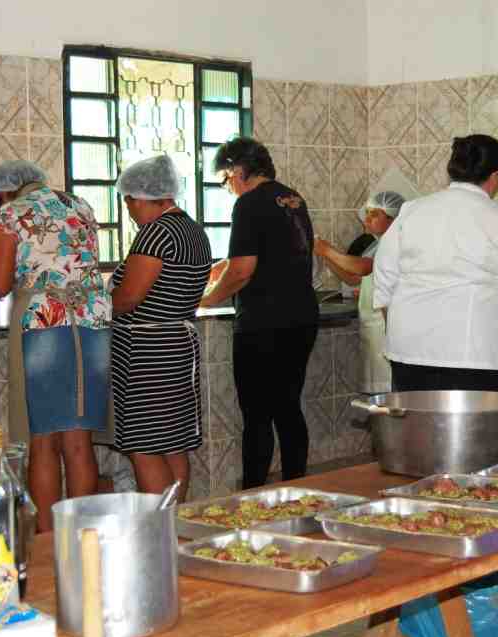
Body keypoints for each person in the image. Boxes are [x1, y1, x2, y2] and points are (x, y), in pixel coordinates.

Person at [0, 160, 111, 532]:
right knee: (78, 441)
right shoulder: (80, 205)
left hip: (46, 323)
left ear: (4, 191)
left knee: (44, 440)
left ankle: (48, 540)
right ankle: (80, 538)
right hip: (92, 319)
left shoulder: (12, 213)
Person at [372, 134, 498, 392]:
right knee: (474, 420)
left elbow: (384, 277)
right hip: (471, 356)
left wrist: (402, 329)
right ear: (495, 175)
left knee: (414, 419)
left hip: (408, 352)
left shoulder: (411, 211)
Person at [200, 137, 319, 489]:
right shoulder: (292, 198)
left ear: (238, 170)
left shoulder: (249, 203)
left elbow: (242, 271)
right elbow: (269, 252)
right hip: (301, 317)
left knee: (257, 414)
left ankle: (252, 493)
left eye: (226, 180)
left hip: (264, 322)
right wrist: (221, 269)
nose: (228, 188)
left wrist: (207, 300)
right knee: (288, 407)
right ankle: (297, 487)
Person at [111, 155, 212, 501]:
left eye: (128, 203)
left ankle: (158, 523)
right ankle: (174, 521)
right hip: (177, 343)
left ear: (142, 197)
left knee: (144, 444)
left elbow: (129, 296)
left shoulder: (156, 233)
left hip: (149, 349)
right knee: (172, 442)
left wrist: (97, 306)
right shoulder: (193, 230)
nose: (129, 211)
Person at [315, 190, 407, 394]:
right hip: (373, 327)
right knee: (379, 393)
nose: (367, 219)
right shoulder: (378, 242)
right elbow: (353, 278)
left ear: (392, 217)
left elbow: (363, 267)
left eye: (374, 214)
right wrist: (325, 256)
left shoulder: (396, 242)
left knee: (388, 394)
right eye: (368, 213)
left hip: (385, 327)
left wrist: (327, 250)